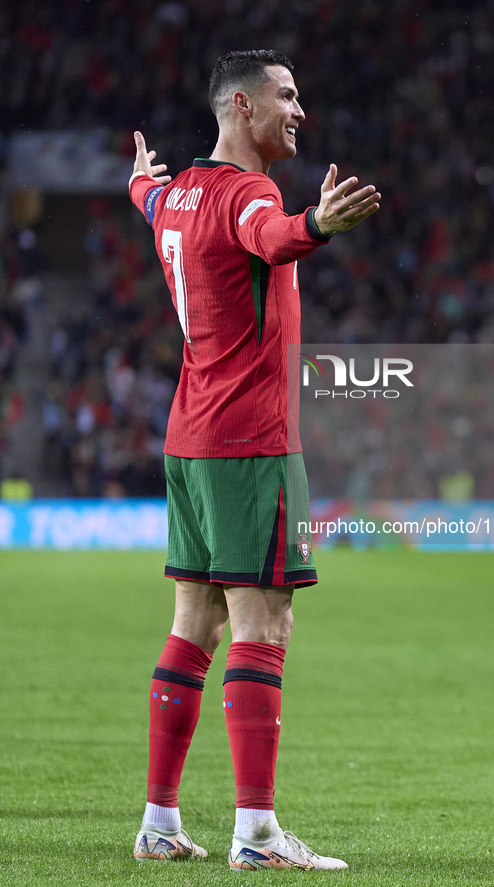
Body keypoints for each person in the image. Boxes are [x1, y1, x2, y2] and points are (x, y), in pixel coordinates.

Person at [128, 49, 380, 871]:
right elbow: (267, 237)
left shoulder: (172, 196)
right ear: (241, 106)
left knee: (193, 622)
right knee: (264, 622)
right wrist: (316, 226)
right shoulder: (249, 193)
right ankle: (257, 832)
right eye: (286, 96)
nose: (299, 109)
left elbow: (147, 196)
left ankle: (160, 820)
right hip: (250, 441)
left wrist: (136, 179)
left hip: (188, 437)